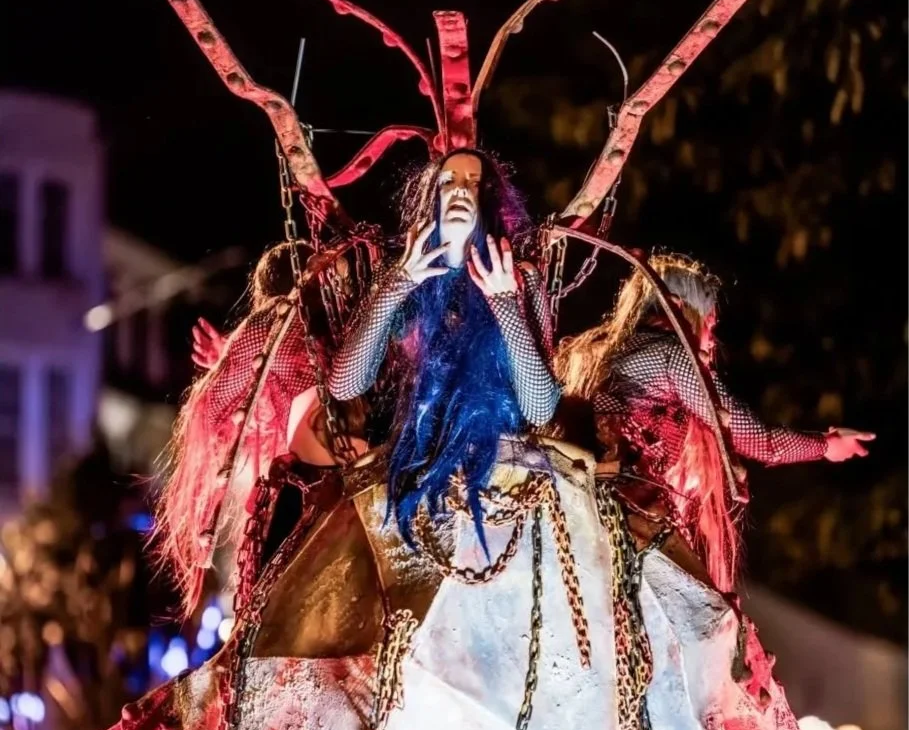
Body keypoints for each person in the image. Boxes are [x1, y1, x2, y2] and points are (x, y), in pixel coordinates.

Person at [554, 252, 874, 591]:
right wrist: (826, 445)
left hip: (583, 501)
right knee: (710, 611)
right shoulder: (672, 355)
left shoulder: (597, 354)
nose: (710, 337)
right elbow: (757, 439)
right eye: (708, 323)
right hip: (627, 512)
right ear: (678, 307)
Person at [329, 148, 559, 545]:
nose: (460, 191)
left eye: (473, 182)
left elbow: (539, 408)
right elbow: (345, 384)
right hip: (414, 471)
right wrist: (398, 285)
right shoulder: (403, 274)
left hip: (503, 477)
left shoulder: (520, 277)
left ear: (489, 198)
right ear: (432, 196)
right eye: (448, 181)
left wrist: (505, 305)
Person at [153, 240, 367, 616]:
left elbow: (213, 410)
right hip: (359, 478)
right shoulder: (343, 327)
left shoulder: (274, 323)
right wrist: (235, 359)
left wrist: (231, 363)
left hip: (306, 489)